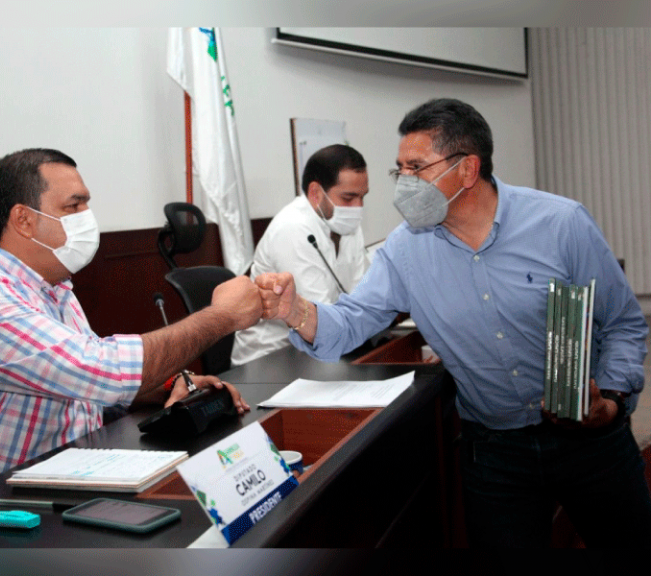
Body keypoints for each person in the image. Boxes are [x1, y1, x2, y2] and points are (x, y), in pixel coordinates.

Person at [256, 98, 651, 547]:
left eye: (417, 168)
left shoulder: (561, 223)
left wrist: (611, 402)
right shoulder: (405, 249)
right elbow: (350, 321)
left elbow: (622, 323)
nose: (404, 183)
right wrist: (295, 311)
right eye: (400, 170)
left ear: (467, 169)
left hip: (590, 439)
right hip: (496, 452)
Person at [0, 148, 261, 509]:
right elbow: (101, 371)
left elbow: (83, 389)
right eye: (73, 207)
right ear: (23, 220)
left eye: (86, 205)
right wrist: (222, 316)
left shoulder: (54, 289)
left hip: (56, 482)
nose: (87, 219)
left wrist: (167, 386)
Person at [231, 144, 370, 366]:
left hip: (320, 349)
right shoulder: (292, 229)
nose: (357, 207)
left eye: (362, 197)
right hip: (269, 359)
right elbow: (320, 321)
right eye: (348, 198)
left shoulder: (347, 224)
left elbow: (363, 296)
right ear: (316, 193)